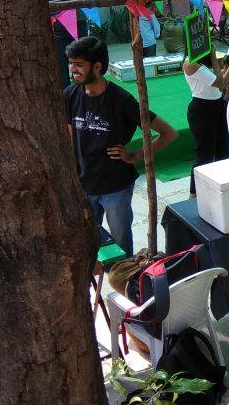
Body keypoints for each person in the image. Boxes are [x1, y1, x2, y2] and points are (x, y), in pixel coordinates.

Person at [65, 37, 177, 255]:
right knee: (89, 244)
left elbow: (169, 133)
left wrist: (134, 155)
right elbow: (69, 136)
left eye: (78, 64)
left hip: (116, 187)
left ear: (97, 66)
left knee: (121, 246)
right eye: (71, 64)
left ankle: (125, 277)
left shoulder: (122, 100)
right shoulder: (70, 95)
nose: (72, 69)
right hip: (83, 185)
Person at [184, 49, 229, 194]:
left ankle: (222, 189)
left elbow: (218, 78)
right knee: (204, 156)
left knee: (224, 151)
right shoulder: (190, 62)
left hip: (219, 105)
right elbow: (220, 82)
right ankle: (194, 194)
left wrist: (223, 66)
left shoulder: (205, 58)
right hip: (202, 110)